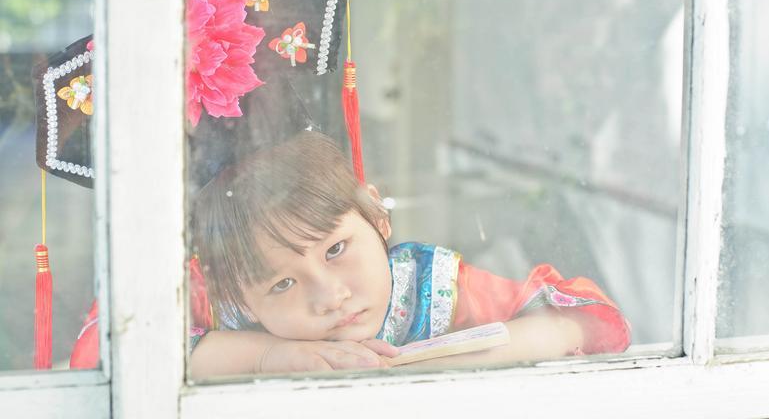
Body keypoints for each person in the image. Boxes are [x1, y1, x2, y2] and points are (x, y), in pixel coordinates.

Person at [188, 130, 631, 378]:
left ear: (378, 215)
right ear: (241, 299)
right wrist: (266, 357)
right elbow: (164, 348)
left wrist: (433, 363)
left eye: (336, 249)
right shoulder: (229, 311)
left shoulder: (430, 286)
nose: (329, 296)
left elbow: (576, 323)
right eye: (282, 283)